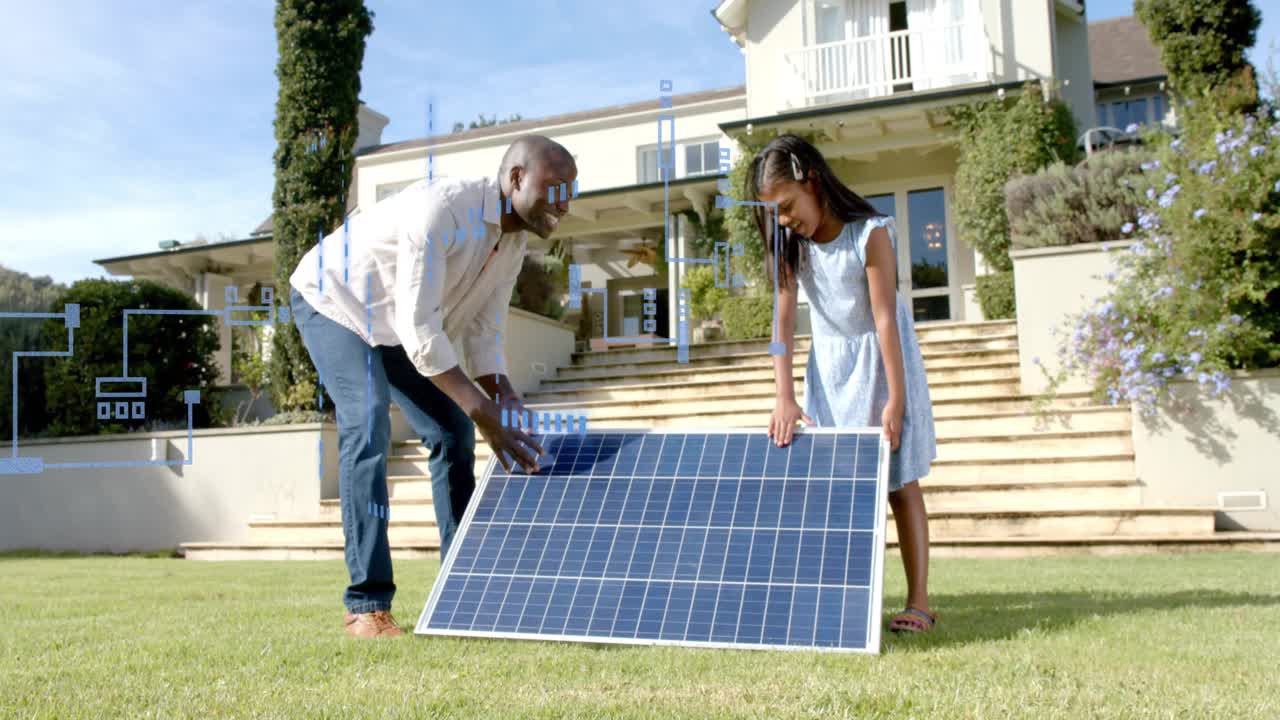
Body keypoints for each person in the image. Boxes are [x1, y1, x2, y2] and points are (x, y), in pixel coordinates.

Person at [288, 134, 576, 638]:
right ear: (514, 179)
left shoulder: (512, 243)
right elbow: (423, 333)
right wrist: (482, 411)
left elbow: (484, 332)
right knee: (369, 417)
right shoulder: (441, 210)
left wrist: (503, 397)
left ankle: (463, 589)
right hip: (335, 300)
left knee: (450, 430)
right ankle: (367, 604)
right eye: (555, 188)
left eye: (572, 190)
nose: (565, 202)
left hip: (397, 325)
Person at [750, 134, 939, 634]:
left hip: (881, 364)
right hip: (831, 373)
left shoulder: (870, 234)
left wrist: (896, 399)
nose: (784, 219)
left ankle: (919, 601)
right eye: (775, 212)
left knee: (900, 484)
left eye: (787, 205)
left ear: (813, 181)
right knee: (838, 492)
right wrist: (784, 396)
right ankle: (843, 599)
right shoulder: (793, 247)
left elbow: (884, 321)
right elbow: (782, 326)